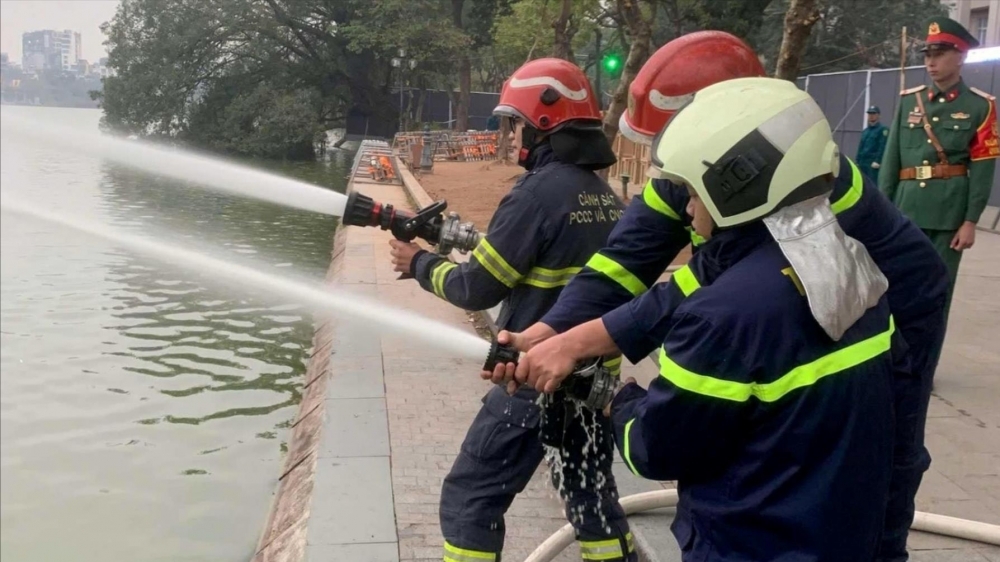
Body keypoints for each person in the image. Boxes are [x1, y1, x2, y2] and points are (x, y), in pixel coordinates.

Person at [497, 31, 949, 562]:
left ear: (734, 144)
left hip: (900, 321)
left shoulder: (808, 193)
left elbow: (716, 304)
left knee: (881, 464)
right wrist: (555, 333)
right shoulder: (734, 193)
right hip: (801, 334)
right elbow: (631, 263)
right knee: (795, 464)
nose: (676, 186)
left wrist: (613, 382)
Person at [387, 58, 637, 562]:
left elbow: (477, 287)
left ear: (542, 126)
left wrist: (419, 264)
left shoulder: (535, 194)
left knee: (471, 497)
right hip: (592, 386)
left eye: (517, 125)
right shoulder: (606, 198)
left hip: (532, 382)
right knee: (590, 500)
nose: (515, 136)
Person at [879, 17, 999, 324]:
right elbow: (891, 161)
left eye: (940, 54)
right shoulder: (910, 101)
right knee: (897, 289)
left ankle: (926, 355)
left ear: (960, 57)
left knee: (936, 294)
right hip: (905, 210)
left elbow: (983, 169)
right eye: (928, 55)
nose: (931, 62)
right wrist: (882, 212)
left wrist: (970, 221)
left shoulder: (980, 106)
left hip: (948, 217)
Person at [858, 105, 889, 181]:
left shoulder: (882, 130)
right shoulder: (865, 131)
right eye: (870, 114)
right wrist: (857, 161)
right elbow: (861, 147)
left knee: (872, 184)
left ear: (878, 115)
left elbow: (882, 146)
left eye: (874, 114)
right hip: (863, 163)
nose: (871, 116)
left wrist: (877, 161)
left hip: (872, 163)